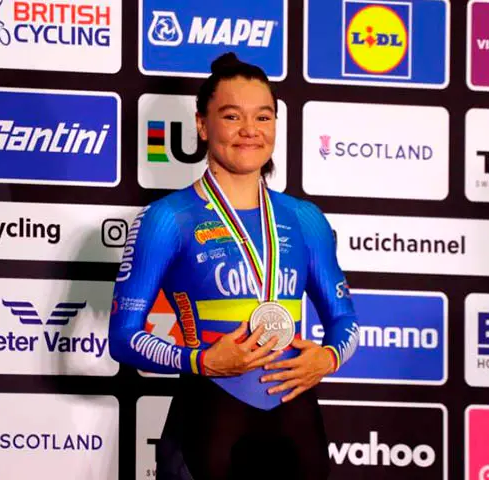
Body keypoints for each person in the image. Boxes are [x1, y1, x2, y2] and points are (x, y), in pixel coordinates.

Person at [108, 52, 360, 480]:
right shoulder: (168, 219)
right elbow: (123, 337)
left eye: (263, 117)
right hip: (208, 424)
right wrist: (202, 361)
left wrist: (329, 357)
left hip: (297, 427)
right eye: (231, 116)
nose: (250, 130)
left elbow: (344, 320)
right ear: (202, 125)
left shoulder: (305, 219)